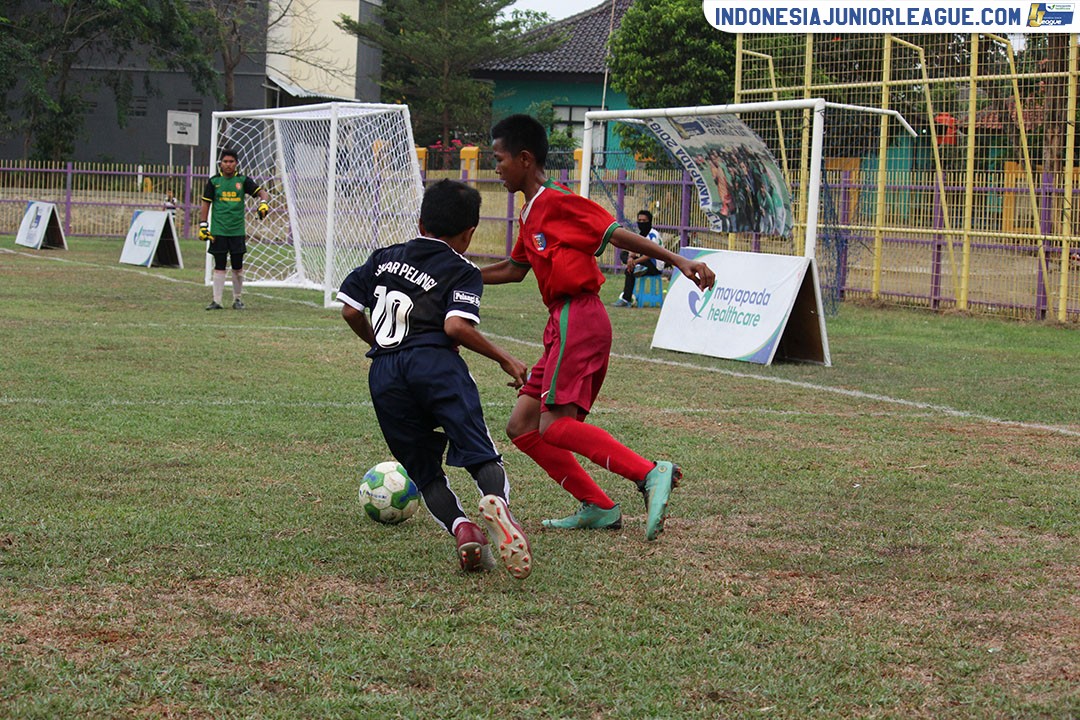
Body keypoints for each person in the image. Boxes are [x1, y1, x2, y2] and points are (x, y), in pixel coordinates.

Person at [482, 114, 716, 541]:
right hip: (560, 323)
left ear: (524, 158)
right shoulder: (530, 211)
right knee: (521, 425)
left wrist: (677, 260)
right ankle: (598, 506)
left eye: (498, 159)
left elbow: (615, 234)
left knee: (553, 425)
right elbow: (515, 269)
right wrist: (461, 275)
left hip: (580, 316)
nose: (494, 168)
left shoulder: (557, 201)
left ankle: (648, 472)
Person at [338, 179, 533, 579]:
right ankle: (496, 503)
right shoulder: (462, 270)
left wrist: (381, 343)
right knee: (481, 454)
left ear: (420, 220)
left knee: (426, 473)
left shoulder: (383, 257)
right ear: (469, 233)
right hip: (435, 366)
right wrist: (504, 358)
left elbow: (350, 311)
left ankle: (463, 530)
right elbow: (456, 326)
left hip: (386, 374)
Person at [198, 148, 270, 310]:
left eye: (231, 162)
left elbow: (263, 193)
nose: (228, 165)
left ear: (236, 164)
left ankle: (237, 299)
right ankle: (217, 301)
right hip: (218, 231)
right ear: (220, 164)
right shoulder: (214, 182)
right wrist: (203, 225)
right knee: (219, 265)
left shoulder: (243, 181)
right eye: (225, 162)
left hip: (237, 231)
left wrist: (263, 203)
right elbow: (205, 203)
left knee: (237, 266)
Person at [613, 209, 664, 308]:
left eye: (644, 221)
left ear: (649, 221)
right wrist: (630, 258)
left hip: (655, 265)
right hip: (644, 262)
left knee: (630, 271)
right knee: (624, 254)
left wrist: (635, 261)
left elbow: (650, 254)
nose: (641, 223)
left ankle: (626, 299)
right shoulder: (641, 234)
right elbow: (634, 248)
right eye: (639, 221)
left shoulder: (653, 235)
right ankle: (636, 268)